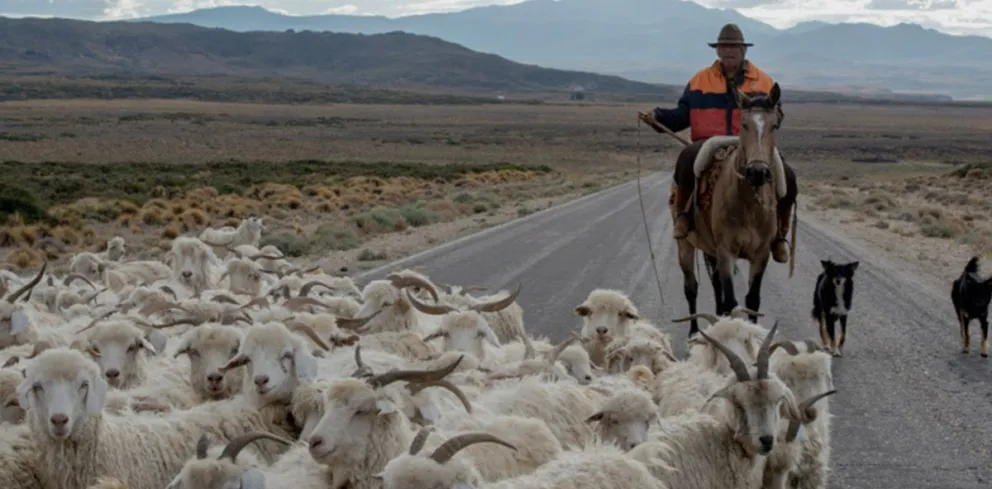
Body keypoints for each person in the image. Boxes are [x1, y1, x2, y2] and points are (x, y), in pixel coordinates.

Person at [639, 23, 796, 264]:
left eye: (734, 46)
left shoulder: (763, 82)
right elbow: (683, 115)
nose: (729, 51)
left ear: (743, 50)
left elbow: (777, 115)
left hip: (750, 145)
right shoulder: (700, 80)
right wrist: (658, 117)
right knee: (686, 159)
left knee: (787, 175)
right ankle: (683, 216)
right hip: (708, 142)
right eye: (724, 46)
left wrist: (769, 121)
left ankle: (779, 236)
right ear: (717, 51)